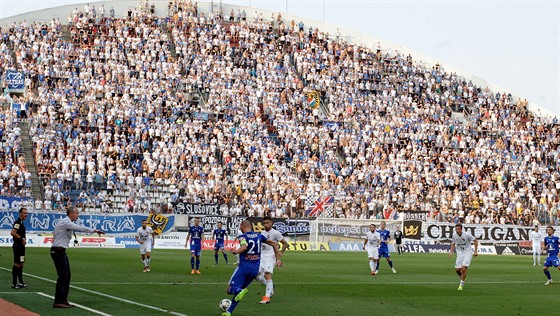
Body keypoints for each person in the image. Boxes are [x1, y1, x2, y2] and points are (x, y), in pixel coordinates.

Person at [222, 220, 282, 316]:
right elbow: (274, 244)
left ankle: (239, 291)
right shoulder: (259, 236)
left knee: (230, 289)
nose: (240, 228)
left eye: (240, 226)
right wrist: (278, 256)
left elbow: (244, 247)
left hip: (244, 267)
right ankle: (229, 312)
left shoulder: (242, 236)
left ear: (242, 226)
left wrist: (235, 251)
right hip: (254, 270)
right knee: (240, 290)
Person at [50, 207, 105, 308]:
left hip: (61, 251)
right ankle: (58, 301)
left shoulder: (67, 222)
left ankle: (63, 300)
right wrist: (94, 230)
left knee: (67, 276)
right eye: (76, 213)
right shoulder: (66, 222)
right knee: (63, 276)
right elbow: (80, 228)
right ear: (71, 213)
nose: (78, 215)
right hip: (57, 250)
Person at [255, 216, 287, 304]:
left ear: (271, 223)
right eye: (264, 223)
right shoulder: (262, 233)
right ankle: (269, 285)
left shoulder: (276, 233)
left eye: (267, 223)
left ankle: (267, 297)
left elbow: (285, 243)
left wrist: (280, 255)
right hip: (262, 257)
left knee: (267, 274)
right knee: (255, 274)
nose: (266, 225)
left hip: (271, 257)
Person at [449, 223, 478, 290]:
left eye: (458, 229)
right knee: (457, 270)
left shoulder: (467, 234)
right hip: (459, 253)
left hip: (467, 252)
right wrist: (451, 252)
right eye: (456, 229)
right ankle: (463, 278)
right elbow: (453, 243)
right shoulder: (454, 235)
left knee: (464, 268)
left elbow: (475, 240)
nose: (457, 230)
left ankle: (461, 285)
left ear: (461, 229)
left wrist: (475, 251)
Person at [11, 207, 28, 289]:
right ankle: (14, 283)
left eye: (26, 213)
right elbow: (13, 232)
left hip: (21, 247)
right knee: (17, 263)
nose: (26, 215)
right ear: (20, 213)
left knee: (21, 263)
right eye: (24, 213)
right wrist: (21, 239)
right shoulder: (18, 222)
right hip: (18, 246)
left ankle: (20, 282)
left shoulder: (21, 222)